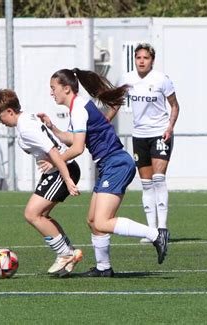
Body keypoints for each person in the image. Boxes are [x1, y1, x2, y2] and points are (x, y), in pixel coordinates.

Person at [37, 68, 162, 277]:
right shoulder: (77, 106)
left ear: (66, 89)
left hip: (116, 163)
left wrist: (54, 160)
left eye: (53, 88)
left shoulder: (78, 109)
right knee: (93, 221)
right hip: (108, 165)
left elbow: (77, 148)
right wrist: (53, 128)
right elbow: (75, 139)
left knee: (103, 221)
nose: (52, 93)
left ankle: (155, 234)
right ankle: (104, 268)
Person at [0, 89, 82, 277]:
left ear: (10, 111)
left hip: (62, 170)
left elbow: (54, 151)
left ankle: (65, 254)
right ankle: (68, 252)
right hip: (56, 171)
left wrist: (67, 179)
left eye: (0, 117)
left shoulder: (26, 127)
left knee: (32, 214)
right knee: (41, 215)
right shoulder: (27, 119)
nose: (0, 121)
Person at [109, 43, 180, 263]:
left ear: (152, 60)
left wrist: (170, 127)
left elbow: (175, 105)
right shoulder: (127, 78)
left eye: (145, 58)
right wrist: (104, 122)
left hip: (160, 134)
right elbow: (116, 103)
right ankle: (151, 232)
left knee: (159, 179)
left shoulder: (161, 79)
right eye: (138, 57)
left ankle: (163, 228)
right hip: (138, 136)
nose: (141, 61)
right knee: (146, 184)